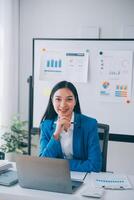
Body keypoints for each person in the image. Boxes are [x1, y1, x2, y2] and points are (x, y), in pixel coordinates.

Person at [39, 80, 102, 172]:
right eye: (58, 99)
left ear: (75, 101)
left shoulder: (90, 124)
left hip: (83, 178)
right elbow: (43, 163)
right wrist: (56, 134)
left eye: (69, 99)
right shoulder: (46, 126)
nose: (63, 104)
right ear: (52, 101)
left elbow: (95, 166)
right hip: (55, 177)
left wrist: (59, 164)